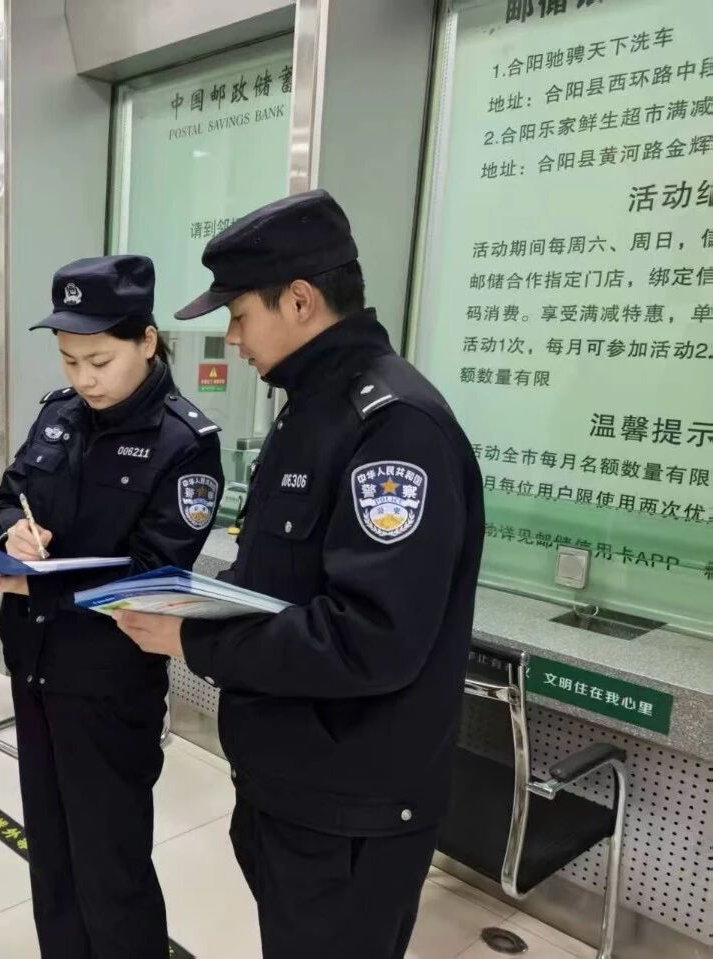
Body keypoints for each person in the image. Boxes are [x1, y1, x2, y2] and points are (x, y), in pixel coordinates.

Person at [114, 191, 485, 959]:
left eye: (239, 313)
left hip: (351, 807)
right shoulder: (311, 410)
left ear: (301, 300)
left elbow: (370, 639)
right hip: (294, 784)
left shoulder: (393, 426)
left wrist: (193, 641)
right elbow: (281, 586)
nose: (232, 337)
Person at [0, 255, 224, 959]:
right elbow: (3, 499)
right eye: (70, 361)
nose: (84, 378)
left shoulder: (185, 445)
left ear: (147, 342)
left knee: (110, 867)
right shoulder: (58, 416)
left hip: (107, 683)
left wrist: (30, 585)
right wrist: (11, 531)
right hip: (34, 667)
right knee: (53, 859)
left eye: (99, 360)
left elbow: (153, 575)